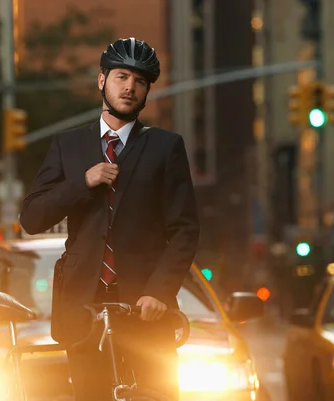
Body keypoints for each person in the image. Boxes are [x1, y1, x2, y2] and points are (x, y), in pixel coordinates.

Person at [19, 37, 200, 400]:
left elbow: (184, 230)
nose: (129, 87)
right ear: (102, 81)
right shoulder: (67, 146)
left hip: (145, 309)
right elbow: (32, 218)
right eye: (121, 76)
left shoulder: (166, 147)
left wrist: (159, 291)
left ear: (148, 91)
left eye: (140, 81)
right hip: (83, 309)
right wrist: (83, 182)